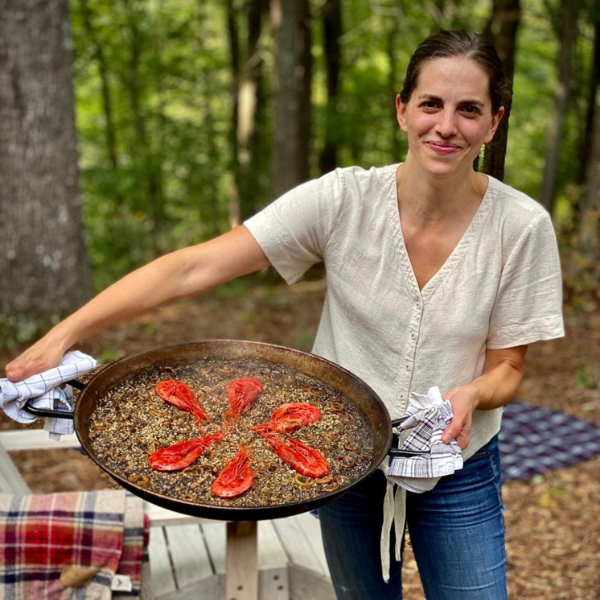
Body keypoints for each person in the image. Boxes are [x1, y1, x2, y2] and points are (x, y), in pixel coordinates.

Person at [6, 29, 563, 600]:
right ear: (402, 110)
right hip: (340, 454)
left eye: (469, 110)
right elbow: (193, 268)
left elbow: (509, 368)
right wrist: (66, 332)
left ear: (493, 124)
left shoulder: (520, 228)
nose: (446, 125)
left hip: (458, 468)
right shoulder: (342, 199)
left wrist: (470, 395)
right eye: (431, 104)